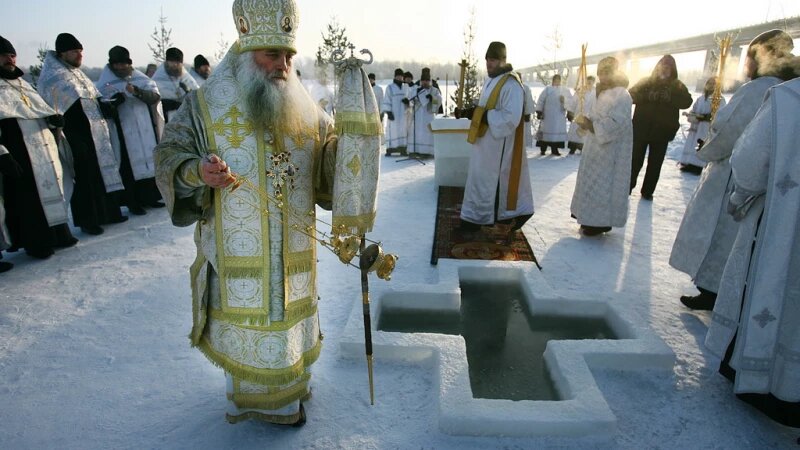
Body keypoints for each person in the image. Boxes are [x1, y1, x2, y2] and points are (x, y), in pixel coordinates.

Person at [154, 0, 347, 426]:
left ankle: (293, 393)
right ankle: (261, 406)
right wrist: (197, 171)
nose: (283, 65)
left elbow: (328, 157)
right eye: (271, 54)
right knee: (253, 321)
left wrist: (353, 140)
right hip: (240, 254)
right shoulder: (205, 104)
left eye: (288, 56)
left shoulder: (304, 105)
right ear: (245, 52)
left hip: (295, 252)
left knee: (289, 325)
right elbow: (169, 156)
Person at [669, 30, 795, 311]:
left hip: (734, 176)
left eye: (749, 57)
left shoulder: (757, 89)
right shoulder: (789, 90)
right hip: (769, 182)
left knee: (721, 235)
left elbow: (729, 131)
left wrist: (709, 142)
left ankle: (712, 290)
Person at [704, 71, 800, 428]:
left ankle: (757, 379)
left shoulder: (788, 100)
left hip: (784, 228)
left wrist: (740, 196)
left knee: (771, 292)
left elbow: (748, 161)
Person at [37, 32, 127, 236]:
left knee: (101, 171)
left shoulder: (78, 73)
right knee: (84, 176)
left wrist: (108, 105)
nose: (79, 55)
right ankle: (88, 220)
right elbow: (52, 109)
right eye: (74, 51)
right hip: (74, 134)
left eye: (80, 51)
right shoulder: (52, 77)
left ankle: (109, 212)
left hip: (95, 133)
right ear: (62, 54)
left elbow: (93, 99)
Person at [0, 36, 77, 259]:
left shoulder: (23, 84)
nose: (10, 59)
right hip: (18, 152)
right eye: (4, 55)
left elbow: (39, 110)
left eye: (12, 54)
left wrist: (53, 121)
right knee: (28, 199)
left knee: (53, 189)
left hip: (43, 148)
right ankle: (37, 243)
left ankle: (59, 233)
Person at [459, 41, 534, 238]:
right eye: (487, 59)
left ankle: (482, 219)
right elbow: (484, 106)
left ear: (503, 60)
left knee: (490, 183)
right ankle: (475, 218)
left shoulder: (511, 84)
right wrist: (471, 112)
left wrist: (484, 116)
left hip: (498, 148)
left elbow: (511, 117)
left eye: (493, 60)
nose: (489, 63)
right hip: (485, 144)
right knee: (478, 179)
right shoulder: (492, 80)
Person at [96, 45, 165, 215]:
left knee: (149, 162)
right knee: (128, 167)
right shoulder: (104, 84)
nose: (120, 68)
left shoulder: (141, 79)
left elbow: (154, 97)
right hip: (123, 131)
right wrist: (116, 101)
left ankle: (151, 197)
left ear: (129, 63)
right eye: (117, 65)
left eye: (123, 64)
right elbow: (102, 108)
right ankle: (133, 202)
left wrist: (137, 91)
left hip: (145, 127)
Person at [569, 58, 632, 236]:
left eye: (607, 72)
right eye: (601, 72)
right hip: (594, 147)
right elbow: (595, 115)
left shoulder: (622, 94)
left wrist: (591, 125)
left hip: (610, 151)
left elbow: (617, 122)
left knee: (603, 186)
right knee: (591, 183)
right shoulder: (600, 91)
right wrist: (584, 121)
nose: (603, 76)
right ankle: (587, 217)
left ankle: (600, 223)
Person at [628, 55, 692, 200]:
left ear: (672, 70)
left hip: (662, 132)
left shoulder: (677, 85)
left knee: (655, 164)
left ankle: (648, 191)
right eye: (662, 66)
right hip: (641, 129)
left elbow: (687, 101)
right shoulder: (646, 82)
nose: (664, 69)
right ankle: (628, 186)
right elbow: (630, 95)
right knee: (634, 161)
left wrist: (670, 98)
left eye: (668, 67)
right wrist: (646, 96)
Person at [677, 77, 724, 174]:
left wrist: (705, 117)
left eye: (713, 84)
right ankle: (688, 163)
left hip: (706, 127)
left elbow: (720, 114)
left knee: (701, 145)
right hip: (696, 126)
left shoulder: (719, 99)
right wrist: (692, 115)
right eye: (709, 83)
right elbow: (694, 108)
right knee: (692, 144)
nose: (711, 86)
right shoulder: (701, 98)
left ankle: (698, 166)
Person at [152, 47, 199, 122]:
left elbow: (197, 94)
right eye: (172, 62)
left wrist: (189, 91)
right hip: (166, 117)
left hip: (186, 116)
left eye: (178, 62)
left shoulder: (185, 76)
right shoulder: (158, 77)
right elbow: (154, 99)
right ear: (167, 62)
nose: (175, 65)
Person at [406, 68, 441, 157]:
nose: (425, 82)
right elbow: (410, 101)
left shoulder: (434, 90)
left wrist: (432, 99)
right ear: (421, 81)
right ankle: (415, 151)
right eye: (423, 80)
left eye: (427, 80)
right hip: (417, 116)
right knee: (416, 133)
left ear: (430, 81)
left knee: (427, 133)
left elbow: (439, 100)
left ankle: (427, 152)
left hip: (428, 116)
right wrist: (416, 94)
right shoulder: (416, 89)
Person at [535, 74, 568, 156]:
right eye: (555, 80)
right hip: (547, 115)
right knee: (545, 132)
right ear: (553, 81)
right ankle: (543, 149)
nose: (557, 82)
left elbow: (570, 102)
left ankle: (554, 149)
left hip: (558, 116)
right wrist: (539, 111)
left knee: (555, 134)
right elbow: (541, 100)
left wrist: (564, 101)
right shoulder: (547, 89)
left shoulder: (563, 90)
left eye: (558, 80)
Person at [381, 68, 409, 156]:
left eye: (401, 76)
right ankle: (391, 148)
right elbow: (386, 100)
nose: (400, 78)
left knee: (403, 130)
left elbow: (411, 99)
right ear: (395, 76)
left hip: (403, 114)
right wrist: (388, 112)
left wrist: (408, 102)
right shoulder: (390, 87)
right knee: (393, 130)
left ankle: (402, 148)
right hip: (394, 113)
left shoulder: (406, 87)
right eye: (398, 76)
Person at [566, 75, 596, 154]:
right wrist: (570, 111)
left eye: (591, 82)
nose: (589, 83)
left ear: (593, 83)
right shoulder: (580, 90)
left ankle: (584, 148)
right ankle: (572, 148)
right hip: (578, 113)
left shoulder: (595, 92)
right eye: (588, 82)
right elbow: (573, 101)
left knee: (586, 133)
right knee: (575, 131)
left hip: (589, 114)